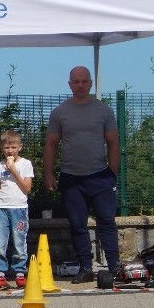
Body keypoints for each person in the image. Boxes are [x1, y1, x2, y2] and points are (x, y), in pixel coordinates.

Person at [43, 66, 120, 283]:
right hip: (71, 177)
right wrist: (48, 173)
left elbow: (113, 142)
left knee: (106, 221)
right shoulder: (60, 112)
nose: (80, 85)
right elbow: (51, 144)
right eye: (76, 82)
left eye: (84, 81)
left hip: (101, 176)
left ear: (91, 83)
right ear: (69, 84)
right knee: (77, 224)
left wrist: (112, 172)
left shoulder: (104, 110)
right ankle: (85, 267)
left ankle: (114, 266)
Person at [0, 130, 34, 289]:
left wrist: (13, 170)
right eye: (6, 147)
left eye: (13, 147)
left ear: (20, 147)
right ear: (1, 148)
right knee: (0, 242)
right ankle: (0, 274)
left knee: (19, 241)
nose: (10, 151)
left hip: (19, 208)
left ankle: (20, 273)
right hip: (1, 208)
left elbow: (27, 188)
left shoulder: (25, 164)